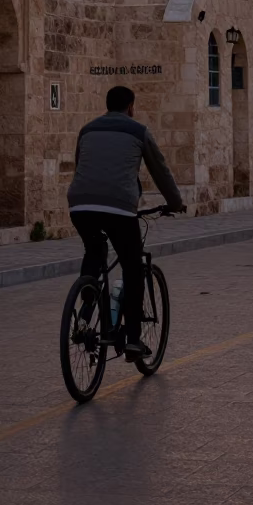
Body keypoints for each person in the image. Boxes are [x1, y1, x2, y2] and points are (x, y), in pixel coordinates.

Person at [68, 85, 184, 359]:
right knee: (133, 266)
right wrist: (175, 203)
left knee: (94, 251)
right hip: (119, 208)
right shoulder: (138, 131)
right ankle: (133, 338)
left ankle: (85, 311)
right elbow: (161, 170)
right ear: (131, 107)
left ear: (107, 105)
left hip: (80, 204)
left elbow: (81, 167)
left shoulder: (87, 130)